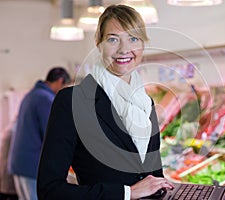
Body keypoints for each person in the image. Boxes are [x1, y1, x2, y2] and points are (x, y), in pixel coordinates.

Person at [37, 4, 174, 200]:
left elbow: (152, 176)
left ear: (143, 44)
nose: (124, 49)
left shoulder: (146, 104)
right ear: (98, 43)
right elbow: (49, 190)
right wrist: (128, 193)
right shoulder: (72, 101)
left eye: (133, 38)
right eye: (113, 39)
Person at [7, 67, 71, 200]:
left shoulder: (32, 94)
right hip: (32, 166)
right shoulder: (46, 99)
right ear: (60, 81)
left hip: (19, 164)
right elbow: (53, 135)